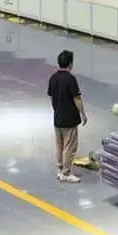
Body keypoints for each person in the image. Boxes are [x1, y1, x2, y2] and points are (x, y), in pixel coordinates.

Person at [46, 49, 87, 183]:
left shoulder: (53, 78)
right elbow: (77, 98)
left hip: (57, 118)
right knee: (69, 146)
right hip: (69, 119)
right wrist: (83, 113)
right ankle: (66, 173)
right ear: (70, 64)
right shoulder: (70, 79)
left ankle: (60, 170)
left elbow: (51, 98)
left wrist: (56, 110)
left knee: (59, 144)